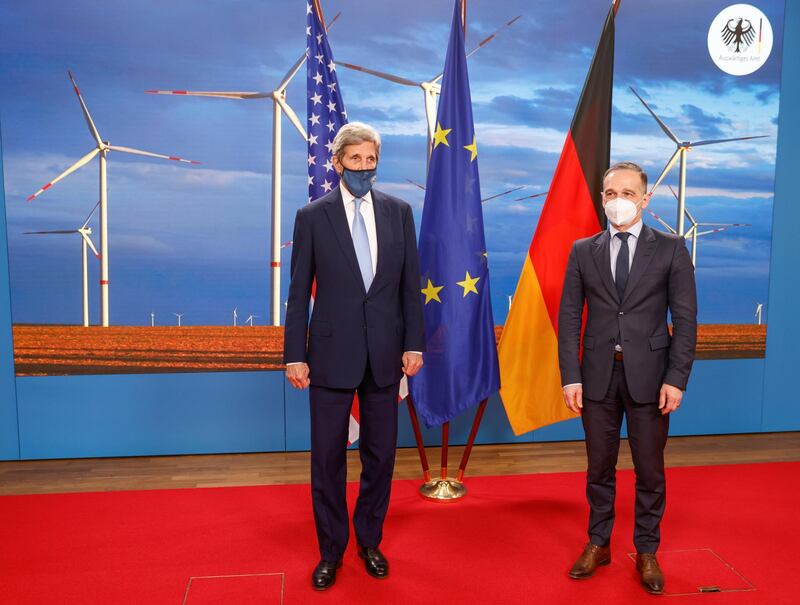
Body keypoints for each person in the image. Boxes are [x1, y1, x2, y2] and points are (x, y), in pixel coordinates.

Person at [283, 122, 426, 591]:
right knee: (327, 459)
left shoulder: (399, 212)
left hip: (386, 356)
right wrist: (294, 355)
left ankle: (369, 541)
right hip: (327, 356)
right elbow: (299, 291)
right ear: (337, 161)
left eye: (371, 159)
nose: (364, 167)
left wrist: (413, 344)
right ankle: (330, 551)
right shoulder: (312, 216)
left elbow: (410, 287)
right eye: (356, 159)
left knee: (380, 457)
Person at [558, 161, 697, 595]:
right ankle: (598, 542)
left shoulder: (672, 249)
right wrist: (570, 376)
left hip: (651, 379)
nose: (618, 201)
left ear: (645, 199)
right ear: (602, 198)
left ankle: (647, 549)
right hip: (597, 376)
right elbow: (568, 319)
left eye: (628, 193)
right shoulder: (584, 250)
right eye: (610, 193)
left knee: (650, 470)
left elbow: (686, 321)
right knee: (599, 467)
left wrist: (676, 379)